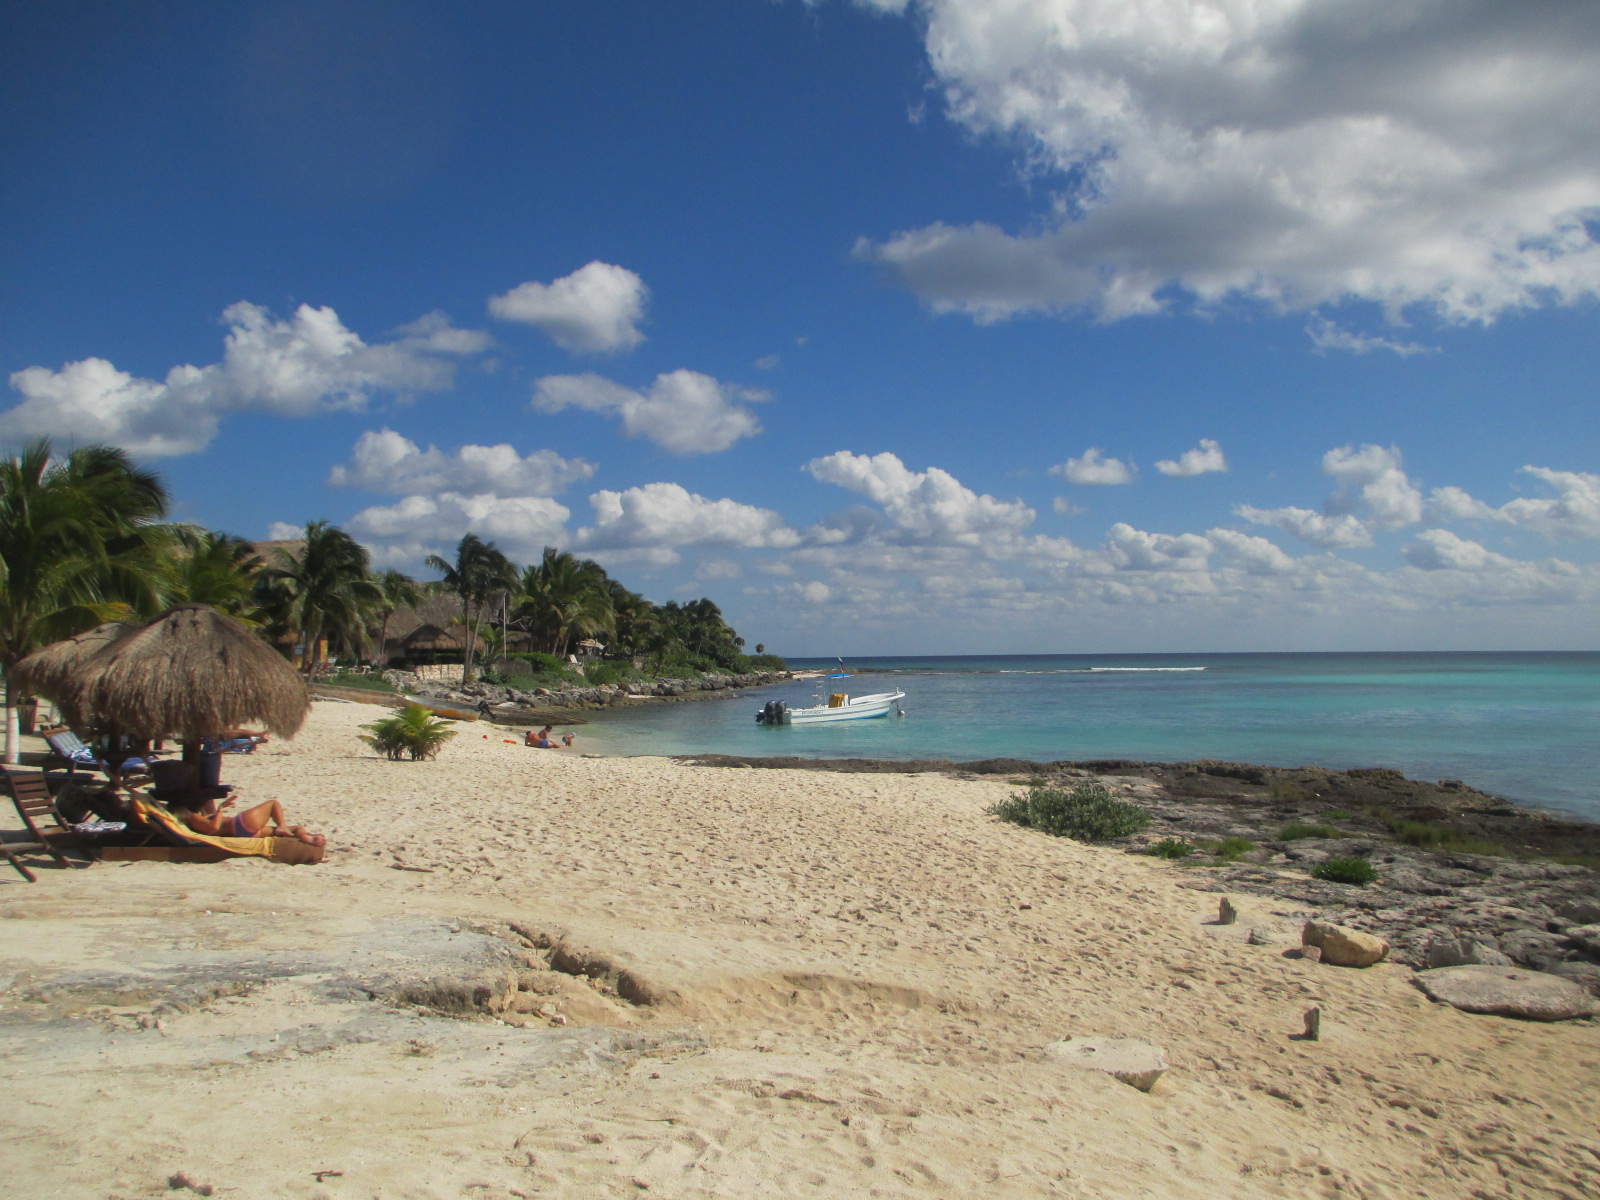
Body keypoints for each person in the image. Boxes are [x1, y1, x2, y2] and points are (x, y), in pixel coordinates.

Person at [171, 793, 325, 846]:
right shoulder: (193, 819)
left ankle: (307, 839)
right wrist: (220, 808)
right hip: (239, 825)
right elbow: (213, 828)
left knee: (296, 828)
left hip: (243, 833)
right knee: (273, 804)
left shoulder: (193, 823)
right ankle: (283, 826)